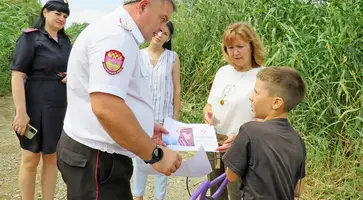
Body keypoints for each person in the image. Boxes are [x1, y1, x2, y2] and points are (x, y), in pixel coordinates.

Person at [56, 0, 182, 199]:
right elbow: (107, 107)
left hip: (96, 156)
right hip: (97, 158)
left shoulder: (122, 35)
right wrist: (155, 155)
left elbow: (118, 96)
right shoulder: (116, 38)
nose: (162, 28)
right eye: (162, 18)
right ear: (143, 6)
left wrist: (146, 126)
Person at [10, 1, 71, 200]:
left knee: (52, 158)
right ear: (45, 12)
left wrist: (71, 75)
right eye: (58, 13)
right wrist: (21, 112)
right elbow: (18, 75)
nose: (62, 18)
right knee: (30, 158)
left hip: (59, 106)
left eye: (65, 15)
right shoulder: (31, 37)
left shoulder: (66, 42)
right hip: (34, 105)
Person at [203, 22, 267, 200]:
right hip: (214, 143)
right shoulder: (222, 72)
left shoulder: (263, 76)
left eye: (240, 46)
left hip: (241, 145)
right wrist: (208, 113)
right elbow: (209, 104)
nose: (235, 52)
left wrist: (241, 137)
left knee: (237, 193)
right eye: (230, 47)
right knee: (215, 190)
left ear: (252, 46)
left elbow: (268, 119)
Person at [222, 66, 307, 200]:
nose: (250, 97)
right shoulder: (298, 140)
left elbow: (231, 176)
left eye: (256, 92)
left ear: (276, 102)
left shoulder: (250, 130)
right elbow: (297, 190)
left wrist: (239, 146)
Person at [132, 21, 181, 200]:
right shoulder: (138, 55)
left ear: (168, 38)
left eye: (165, 33)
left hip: (165, 119)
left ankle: (160, 197)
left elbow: (177, 88)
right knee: (139, 160)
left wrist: (175, 119)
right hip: (142, 117)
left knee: (163, 158)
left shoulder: (172, 57)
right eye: (158, 30)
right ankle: (138, 196)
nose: (160, 35)